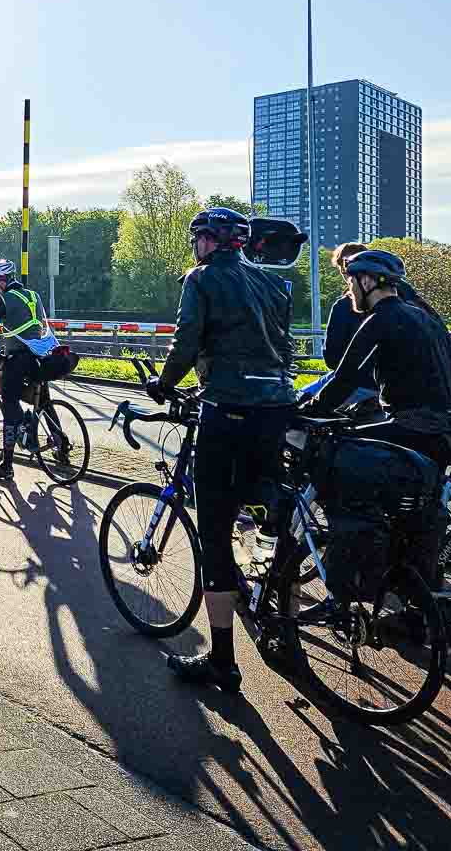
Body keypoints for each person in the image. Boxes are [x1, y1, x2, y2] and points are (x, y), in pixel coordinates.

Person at [146, 207, 296, 692]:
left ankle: (223, 660)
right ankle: (285, 625)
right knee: (267, 503)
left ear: (209, 241)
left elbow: (186, 342)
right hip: (276, 405)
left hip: (228, 408)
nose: (195, 248)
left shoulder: (202, 278)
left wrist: (164, 386)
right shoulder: (273, 284)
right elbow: (284, 348)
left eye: (197, 239)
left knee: (214, 528)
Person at [304, 249, 451, 466]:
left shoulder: (379, 319)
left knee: (334, 450)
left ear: (366, 282)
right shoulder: (423, 316)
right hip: (447, 428)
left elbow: (345, 378)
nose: (351, 291)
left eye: (351, 284)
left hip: (412, 429)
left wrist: (308, 409)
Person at [0, 259, 61, 482]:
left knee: (8, 402)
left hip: (19, 359)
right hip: (41, 358)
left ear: (1, 281)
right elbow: (43, 325)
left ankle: (7, 466)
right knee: (44, 401)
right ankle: (62, 446)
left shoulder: (4, 300)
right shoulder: (34, 295)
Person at [323, 242, 433, 390]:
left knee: (302, 401)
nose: (348, 279)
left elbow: (339, 366)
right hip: (417, 392)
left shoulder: (369, 314)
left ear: (365, 280)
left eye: (349, 274)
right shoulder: (420, 311)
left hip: (369, 387)